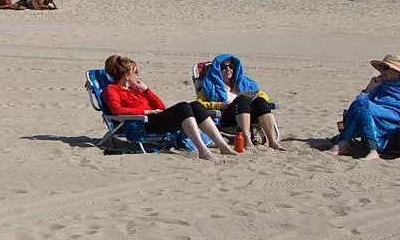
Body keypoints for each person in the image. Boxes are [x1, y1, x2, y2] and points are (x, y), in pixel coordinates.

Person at [101, 55, 237, 161]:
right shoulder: (111, 90)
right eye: (135, 72)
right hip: (138, 125)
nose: (138, 75)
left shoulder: (136, 89)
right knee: (183, 107)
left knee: (195, 105)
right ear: (126, 75)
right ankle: (203, 151)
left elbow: (161, 107)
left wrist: (146, 90)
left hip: (152, 118)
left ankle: (223, 146)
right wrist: (146, 112)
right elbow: (117, 111)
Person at [328, 54, 400, 160]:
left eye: (385, 68)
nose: (381, 71)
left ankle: (343, 143)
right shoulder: (382, 86)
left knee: (362, 105)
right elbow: (357, 106)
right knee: (363, 111)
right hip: (379, 120)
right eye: (381, 67)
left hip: (398, 122)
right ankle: (372, 151)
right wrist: (369, 88)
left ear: (397, 72)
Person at [196, 54, 285, 151]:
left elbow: (261, 93)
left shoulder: (242, 82)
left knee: (260, 101)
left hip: (248, 115)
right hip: (226, 118)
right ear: (217, 69)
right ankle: (247, 140)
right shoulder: (210, 86)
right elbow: (199, 104)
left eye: (231, 66)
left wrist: (258, 98)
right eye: (224, 67)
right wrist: (220, 105)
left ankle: (272, 141)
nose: (228, 69)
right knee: (242, 100)